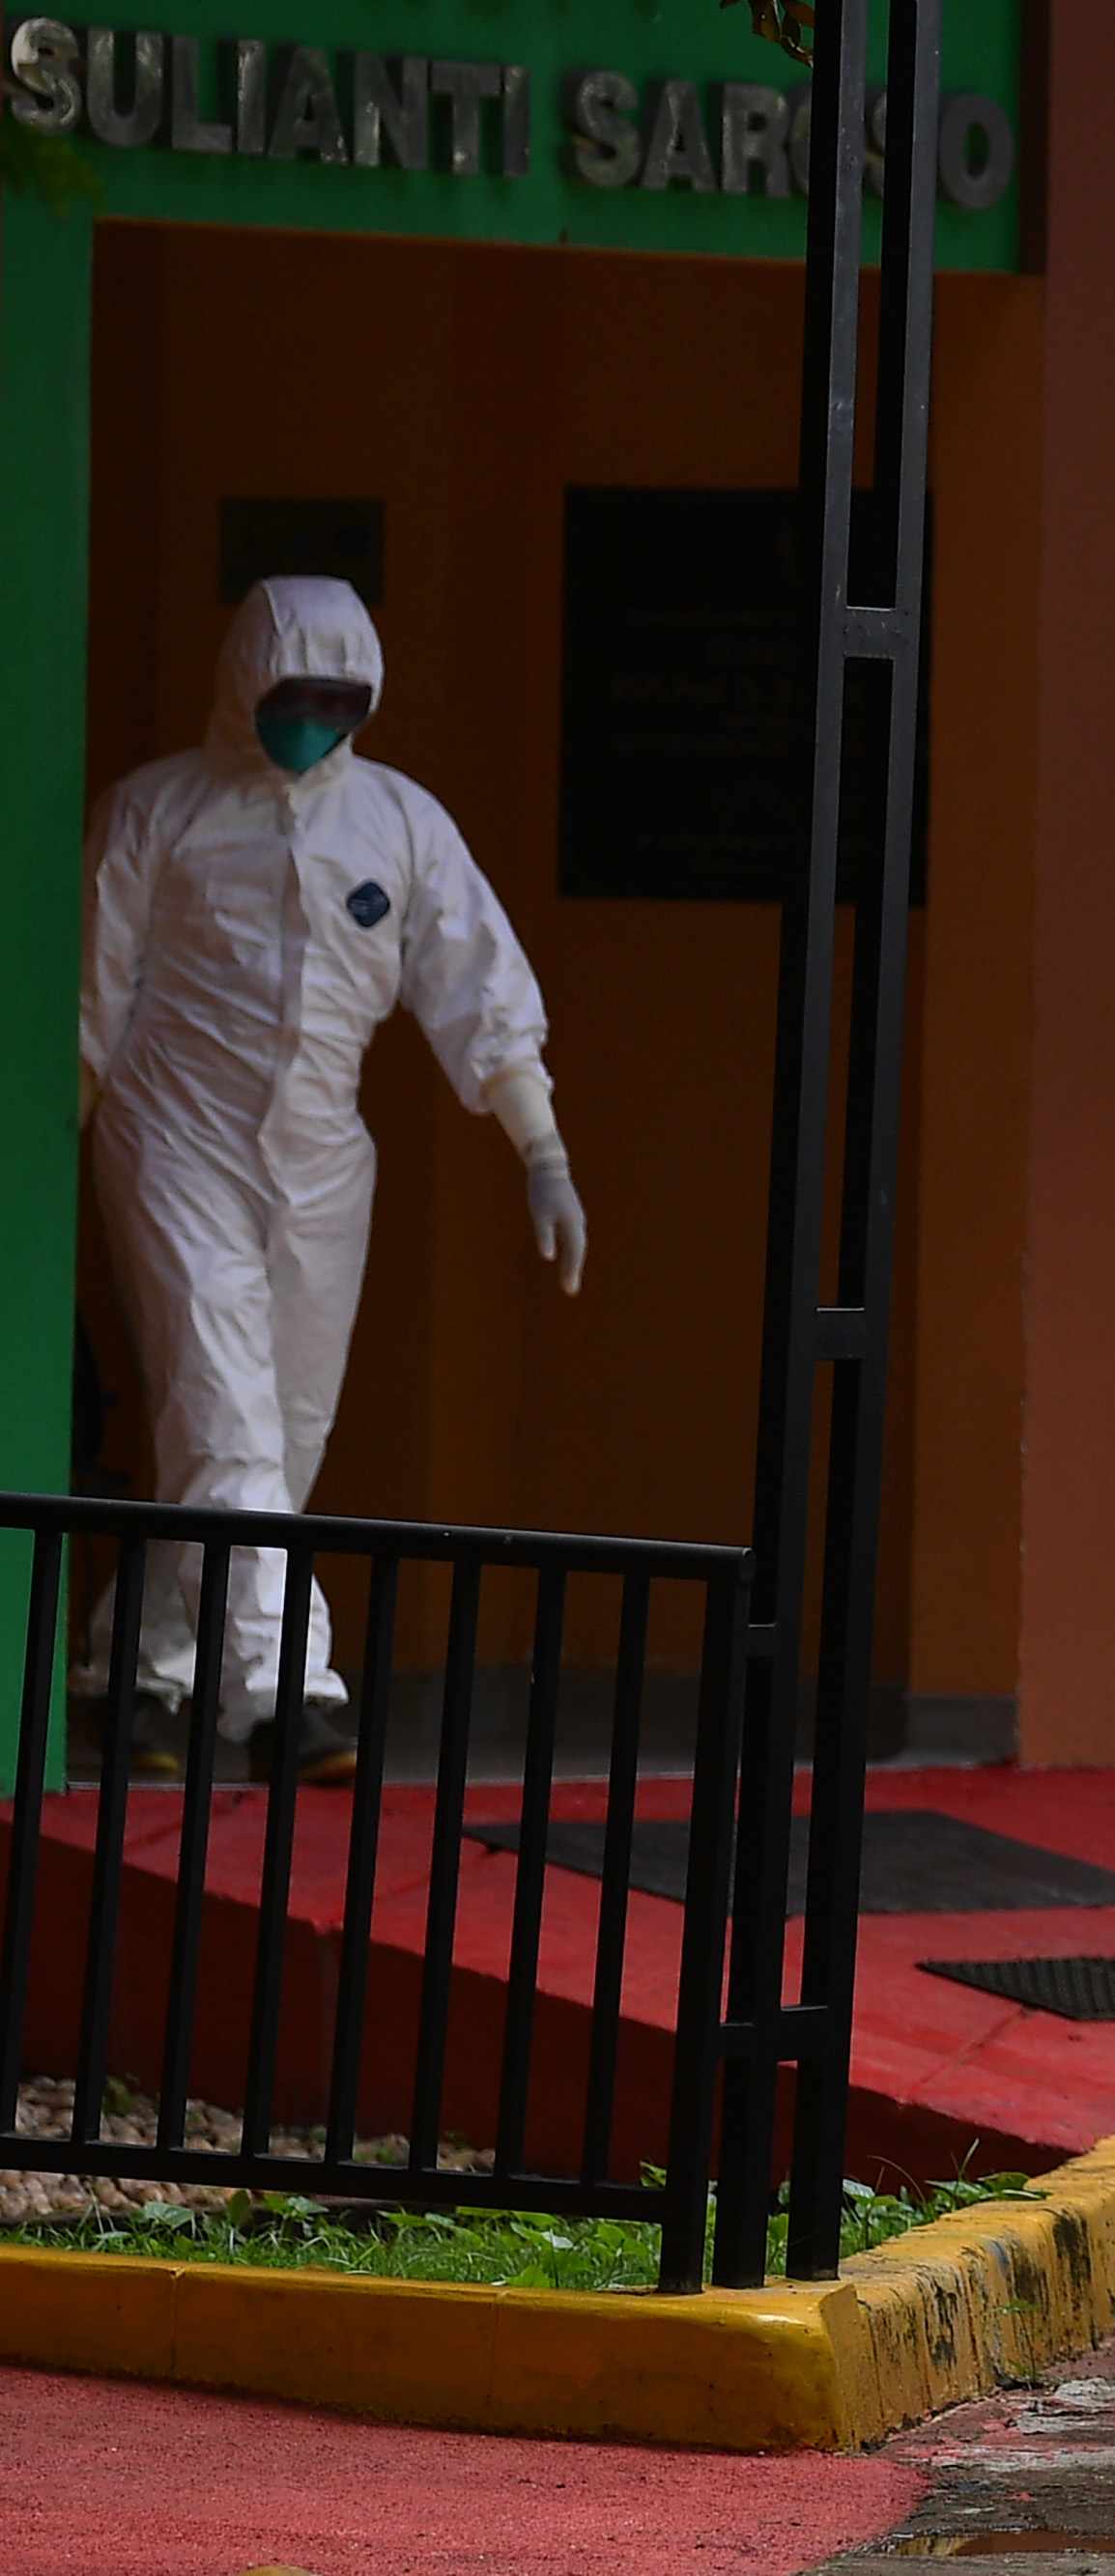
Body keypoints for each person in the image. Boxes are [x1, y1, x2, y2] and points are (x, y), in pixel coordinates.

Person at [78, 576, 586, 1784]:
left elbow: (478, 984)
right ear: (244, 680)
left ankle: (140, 1669)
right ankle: (290, 1692)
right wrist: (66, 1123)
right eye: (289, 692)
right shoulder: (157, 814)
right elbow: (88, 990)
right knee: (224, 1411)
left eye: (336, 698)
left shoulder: (399, 826)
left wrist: (542, 1150)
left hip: (319, 1161)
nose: (311, 715)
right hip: (172, 1136)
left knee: (275, 1435)